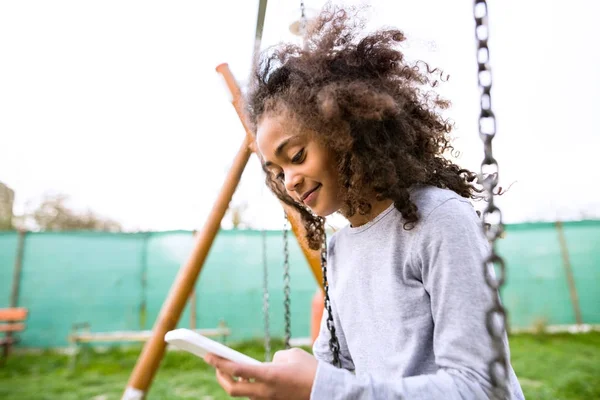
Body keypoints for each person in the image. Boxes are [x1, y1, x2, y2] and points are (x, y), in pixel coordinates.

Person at [204, 5, 525, 400]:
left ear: (345, 132)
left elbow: (480, 386)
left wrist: (321, 386)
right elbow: (340, 370)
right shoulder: (340, 248)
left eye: (297, 156)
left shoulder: (441, 221)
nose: (289, 180)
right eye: (276, 171)